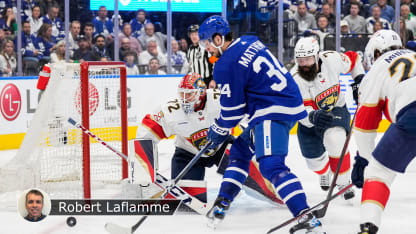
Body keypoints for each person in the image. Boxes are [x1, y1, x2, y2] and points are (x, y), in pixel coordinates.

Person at [198, 15, 324, 233]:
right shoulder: (249, 40)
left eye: (207, 42)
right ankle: (223, 201)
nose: (206, 48)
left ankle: (306, 217)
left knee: (271, 165)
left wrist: (216, 131)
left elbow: (232, 112)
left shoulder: (224, 65)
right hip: (285, 102)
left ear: (219, 39)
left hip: (271, 109)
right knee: (239, 151)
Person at [136, 72, 284, 205]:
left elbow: (246, 112)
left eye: (189, 94)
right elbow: (145, 135)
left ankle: (281, 195)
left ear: (200, 92)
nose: (184, 99)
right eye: (182, 94)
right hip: (187, 154)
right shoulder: (171, 111)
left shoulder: (219, 99)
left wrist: (249, 130)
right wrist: (147, 173)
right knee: (188, 202)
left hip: (222, 146)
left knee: (254, 178)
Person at [352, 29, 416, 234]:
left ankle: (368, 227)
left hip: (413, 114)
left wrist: (364, 161)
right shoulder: (413, 54)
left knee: (378, 174)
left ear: (375, 53)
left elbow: (365, 125)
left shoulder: (378, 69)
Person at [291, 36, 365, 202]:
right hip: (309, 121)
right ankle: (325, 172)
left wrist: (359, 80)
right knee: (314, 163)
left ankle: (343, 182)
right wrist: (312, 116)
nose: (304, 64)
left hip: (335, 109)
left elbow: (355, 59)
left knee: (335, 138)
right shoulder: (294, 78)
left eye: (308, 59)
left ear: (317, 56)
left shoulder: (332, 59)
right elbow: (297, 109)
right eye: (300, 60)